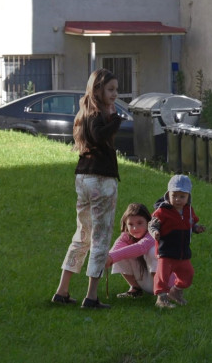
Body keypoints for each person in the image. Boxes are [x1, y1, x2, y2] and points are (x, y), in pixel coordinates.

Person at [51, 68, 122, 308]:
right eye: (110, 89)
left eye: (116, 89)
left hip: (83, 178)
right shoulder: (96, 114)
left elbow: (94, 137)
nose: (115, 94)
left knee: (82, 235)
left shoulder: (85, 112)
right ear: (97, 89)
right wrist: (116, 120)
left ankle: (62, 291)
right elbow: (98, 136)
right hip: (101, 180)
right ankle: (91, 296)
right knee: (100, 237)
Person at [150, 174, 206, 309]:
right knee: (162, 276)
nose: (178, 199)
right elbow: (152, 225)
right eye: (174, 195)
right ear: (168, 194)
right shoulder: (162, 211)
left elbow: (190, 224)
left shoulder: (189, 210)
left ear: (188, 197)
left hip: (182, 252)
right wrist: (155, 232)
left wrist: (196, 228)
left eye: (182, 196)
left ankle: (175, 292)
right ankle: (161, 298)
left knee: (188, 274)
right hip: (166, 251)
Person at [107, 203, 157, 298]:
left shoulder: (152, 234)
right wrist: (104, 260)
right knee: (117, 254)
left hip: (164, 283)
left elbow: (141, 247)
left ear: (148, 222)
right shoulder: (126, 236)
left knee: (152, 250)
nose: (135, 228)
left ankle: (164, 293)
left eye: (139, 223)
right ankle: (135, 288)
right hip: (146, 282)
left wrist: (111, 257)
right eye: (130, 224)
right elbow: (113, 252)